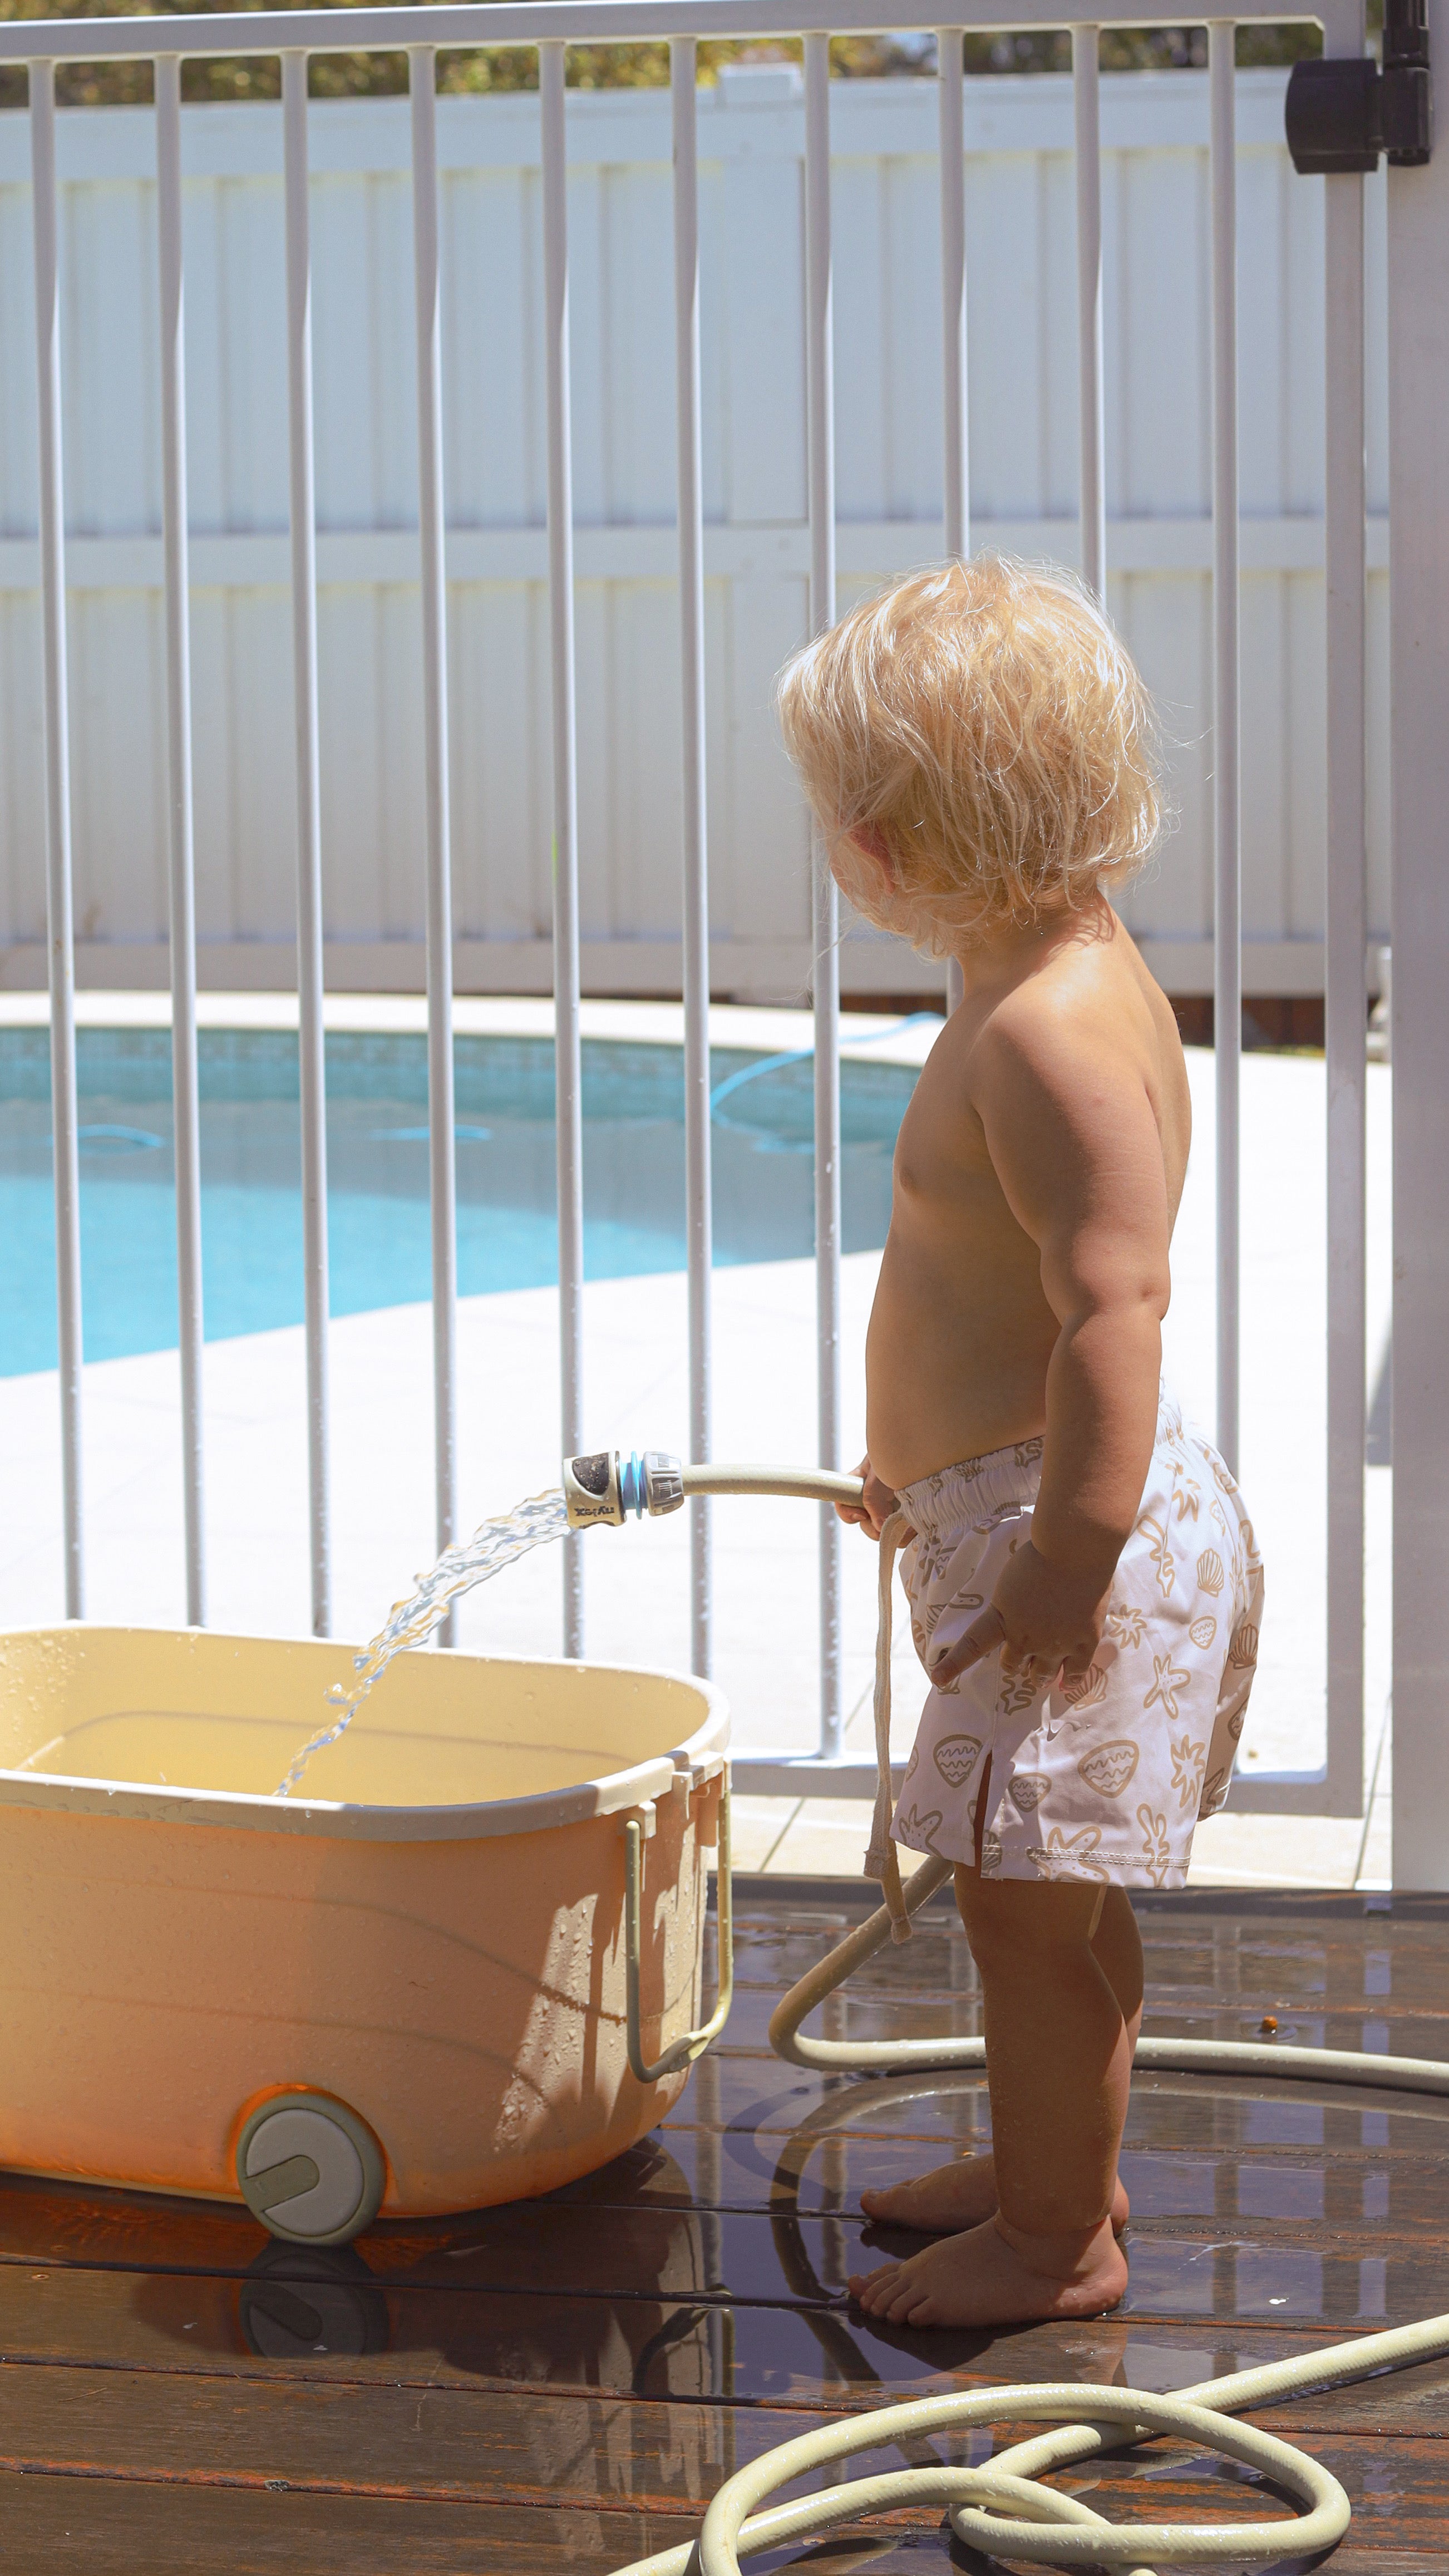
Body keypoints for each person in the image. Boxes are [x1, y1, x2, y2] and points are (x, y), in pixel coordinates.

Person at [774, 557, 1263, 2329]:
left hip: (1073, 1542)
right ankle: (1052, 2155)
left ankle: (1061, 2245)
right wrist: (924, 1472)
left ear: (890, 841)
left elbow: (1105, 1316)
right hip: (1006, 1508)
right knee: (1042, 1906)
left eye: (838, 810)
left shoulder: (1047, 1029)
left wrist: (1061, 1554)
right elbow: (979, 1285)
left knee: (1014, 1909)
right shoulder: (1048, 956)